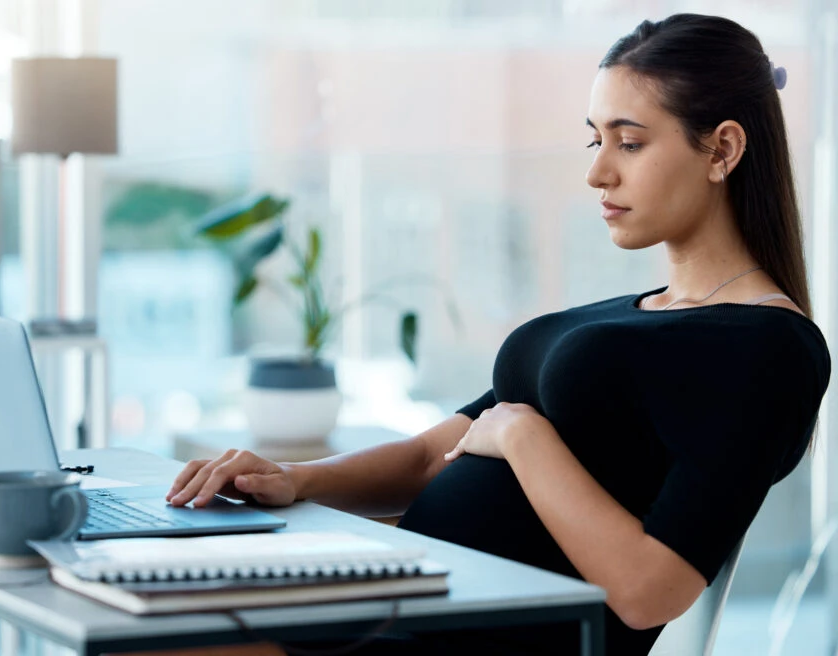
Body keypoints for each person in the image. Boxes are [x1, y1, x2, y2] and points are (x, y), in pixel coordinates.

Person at [166, 13, 831, 655]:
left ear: (723, 149)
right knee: (155, 612)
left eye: (629, 143)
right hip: (400, 609)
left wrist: (522, 438)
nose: (597, 172)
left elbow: (648, 593)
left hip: (473, 642)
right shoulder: (635, 314)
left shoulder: (769, 349)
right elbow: (430, 459)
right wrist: (295, 479)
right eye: (595, 141)